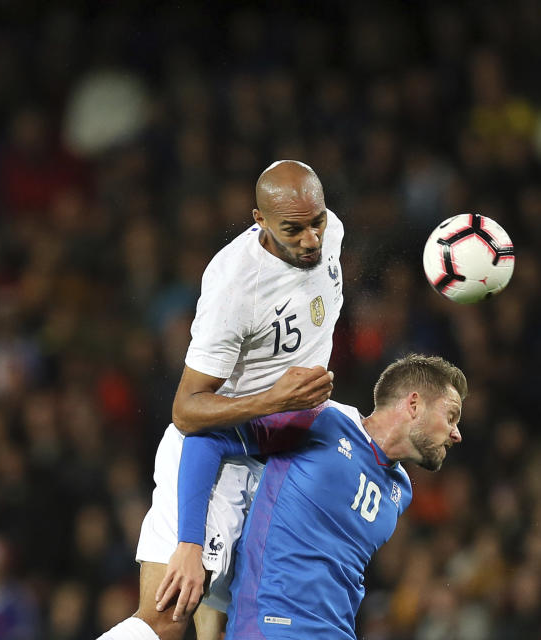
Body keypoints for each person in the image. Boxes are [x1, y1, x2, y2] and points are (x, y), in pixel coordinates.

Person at [98, 160, 343, 640]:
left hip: (276, 464)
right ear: (260, 221)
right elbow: (187, 410)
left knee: (227, 631)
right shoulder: (234, 285)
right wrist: (274, 400)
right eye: (293, 230)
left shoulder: (331, 232)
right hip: (216, 456)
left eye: (317, 221)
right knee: (167, 619)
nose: (312, 239)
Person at [222, 354, 466, 639]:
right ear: (413, 404)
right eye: (450, 416)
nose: (457, 434)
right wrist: (188, 542)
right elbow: (213, 439)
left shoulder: (401, 492)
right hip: (274, 624)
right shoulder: (323, 418)